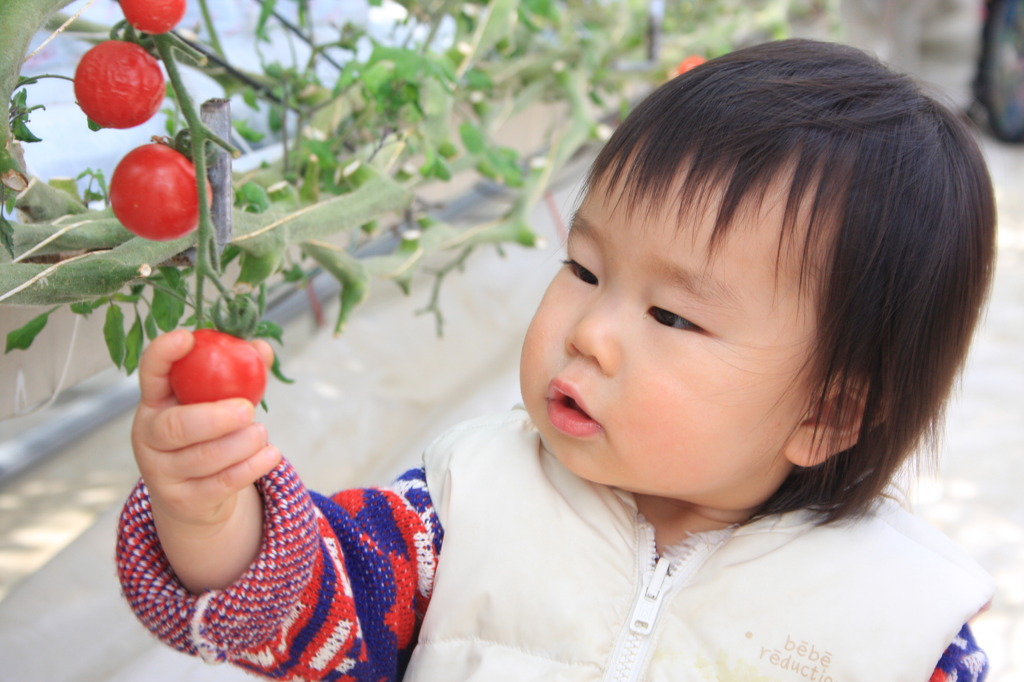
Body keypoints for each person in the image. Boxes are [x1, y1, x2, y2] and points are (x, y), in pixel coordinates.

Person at [117, 39, 997, 681]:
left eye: (671, 314)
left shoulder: (903, 630)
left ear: (828, 414)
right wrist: (209, 513)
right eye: (583, 268)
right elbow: (306, 601)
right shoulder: (462, 511)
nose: (589, 332)